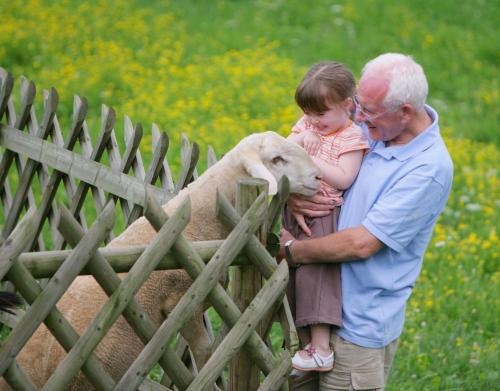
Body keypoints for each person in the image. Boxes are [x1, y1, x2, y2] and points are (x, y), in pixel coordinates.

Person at [281, 53, 453, 390]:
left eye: (369, 112)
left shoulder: (427, 169)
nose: (359, 116)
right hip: (314, 311)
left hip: (355, 327)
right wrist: (294, 194)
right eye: (358, 103)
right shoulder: (372, 125)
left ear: (405, 112)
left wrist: (292, 251)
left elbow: (362, 243)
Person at [282, 61, 369, 373]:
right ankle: (303, 345)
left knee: (316, 275)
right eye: (307, 112)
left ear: (347, 106)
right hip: (294, 207)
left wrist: (312, 158)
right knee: (289, 273)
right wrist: (299, 144)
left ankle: (321, 347)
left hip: (323, 215)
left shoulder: (351, 137)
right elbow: (284, 150)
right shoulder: (307, 125)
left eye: (320, 114)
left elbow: (344, 178)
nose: (312, 120)